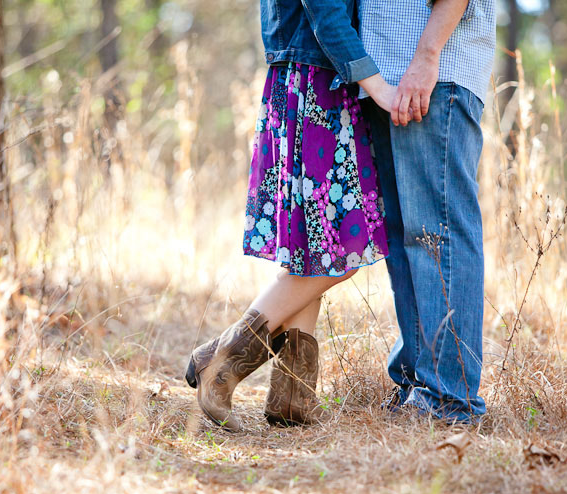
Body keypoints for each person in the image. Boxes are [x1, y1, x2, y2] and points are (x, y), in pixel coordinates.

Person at [183, 0, 397, 432]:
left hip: (310, 81)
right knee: (343, 248)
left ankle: (293, 397)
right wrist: (383, 91)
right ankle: (221, 361)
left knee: (313, 250)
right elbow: (328, 15)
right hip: (316, 87)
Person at [358, 0, 497, 423]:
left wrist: (426, 57)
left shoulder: (430, 64)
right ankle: (419, 384)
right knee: (403, 239)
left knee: (439, 234)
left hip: (433, 75)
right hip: (382, 82)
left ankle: (451, 398)